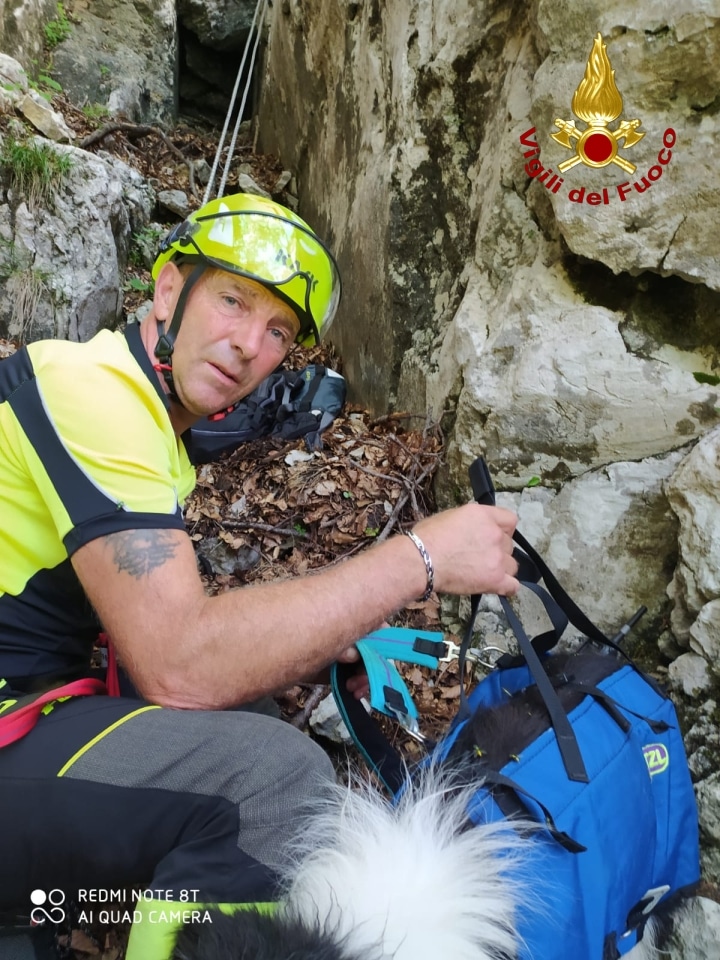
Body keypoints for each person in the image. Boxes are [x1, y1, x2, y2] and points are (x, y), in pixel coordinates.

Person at [0, 193, 519, 960]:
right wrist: (421, 555)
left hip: (30, 708)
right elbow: (179, 661)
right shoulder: (92, 394)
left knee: (254, 710)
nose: (248, 344)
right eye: (233, 302)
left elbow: (162, 629)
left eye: (277, 331)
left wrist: (322, 639)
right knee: (275, 777)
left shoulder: (145, 424)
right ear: (168, 291)